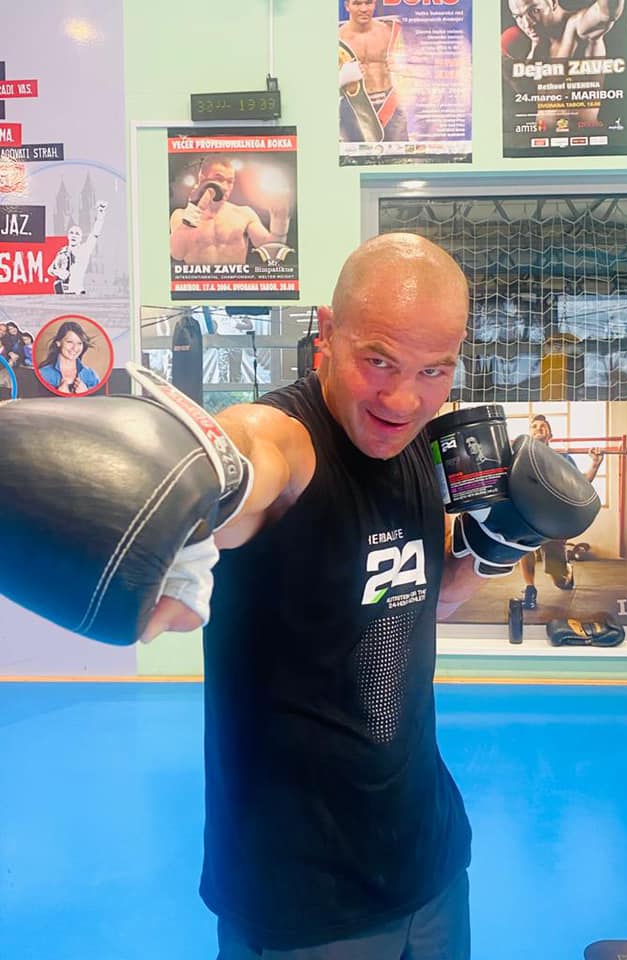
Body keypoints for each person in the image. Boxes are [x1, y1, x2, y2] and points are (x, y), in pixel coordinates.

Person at [144, 233, 487, 958]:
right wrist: (196, 503)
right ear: (327, 333)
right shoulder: (290, 439)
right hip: (301, 894)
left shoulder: (419, 450)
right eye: (378, 361)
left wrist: (496, 548)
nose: (404, 398)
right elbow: (250, 453)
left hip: (428, 862)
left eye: (433, 370)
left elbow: (430, 603)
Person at [519, 413, 604, 608]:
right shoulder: (522, 458)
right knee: (523, 546)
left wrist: (595, 464)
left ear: (550, 435)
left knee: (559, 581)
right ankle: (530, 588)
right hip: (529, 517)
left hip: (553, 521)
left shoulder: (562, 459)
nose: (539, 428)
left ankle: (567, 573)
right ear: (529, 433)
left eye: (543, 426)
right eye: (534, 426)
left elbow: (583, 483)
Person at [502, 0, 626, 131]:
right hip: (541, 138)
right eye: (518, 16)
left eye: (534, 10)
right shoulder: (539, 41)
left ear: (553, 3)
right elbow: (525, 90)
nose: (527, 24)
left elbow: (607, 12)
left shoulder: (576, 26)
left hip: (579, 139)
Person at [170, 156, 292, 266]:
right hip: (200, 283)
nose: (225, 187)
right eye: (219, 179)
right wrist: (194, 211)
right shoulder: (181, 215)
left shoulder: (244, 214)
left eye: (230, 181)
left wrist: (279, 220)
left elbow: (272, 253)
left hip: (236, 282)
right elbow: (177, 254)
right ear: (202, 179)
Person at [339, 0, 408, 143]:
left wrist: (400, 65)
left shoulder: (389, 30)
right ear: (347, 6)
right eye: (357, 4)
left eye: (368, 3)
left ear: (375, 4)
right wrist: (341, 77)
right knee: (353, 155)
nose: (364, 9)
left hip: (388, 105)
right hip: (354, 107)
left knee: (399, 154)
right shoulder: (338, 37)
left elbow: (410, 68)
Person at [47, 201, 108, 294]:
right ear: (68, 235)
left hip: (77, 292)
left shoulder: (84, 249)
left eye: (77, 234)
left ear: (81, 238)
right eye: (71, 233)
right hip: (61, 293)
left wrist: (100, 215)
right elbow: (50, 270)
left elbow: (95, 234)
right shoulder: (62, 251)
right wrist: (58, 272)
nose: (74, 236)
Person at [37, 320, 100, 395]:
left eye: (79, 343)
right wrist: (57, 395)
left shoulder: (91, 375)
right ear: (58, 343)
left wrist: (86, 394)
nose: (75, 348)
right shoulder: (43, 374)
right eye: (69, 342)